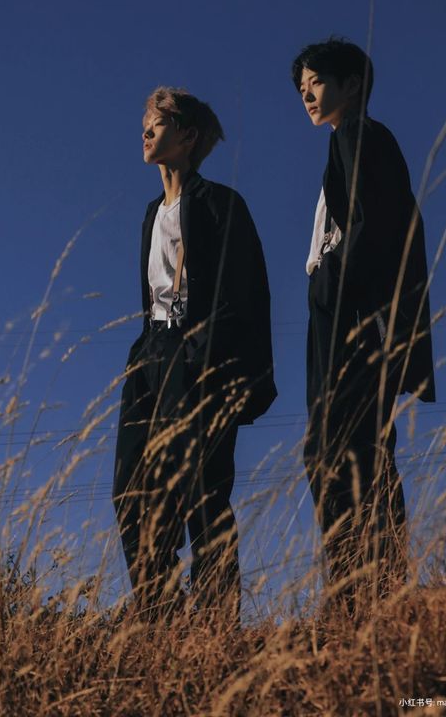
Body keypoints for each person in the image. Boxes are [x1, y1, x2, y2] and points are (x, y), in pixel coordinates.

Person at [112, 87, 276, 625]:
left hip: (201, 354)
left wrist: (207, 358)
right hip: (150, 352)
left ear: (188, 137)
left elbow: (246, 292)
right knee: (130, 489)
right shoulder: (148, 214)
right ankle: (158, 616)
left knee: (204, 493)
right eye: (144, 123)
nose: (145, 132)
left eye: (156, 124)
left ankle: (216, 624)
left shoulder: (221, 204)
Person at [292, 38, 435, 614]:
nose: (305, 92)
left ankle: (363, 596)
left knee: (342, 451)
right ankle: (367, 591)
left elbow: (377, 229)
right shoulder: (346, 143)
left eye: (317, 81)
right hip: (341, 317)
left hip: (351, 319)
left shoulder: (359, 134)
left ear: (352, 84)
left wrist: (331, 279)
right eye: (301, 86)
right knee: (348, 450)